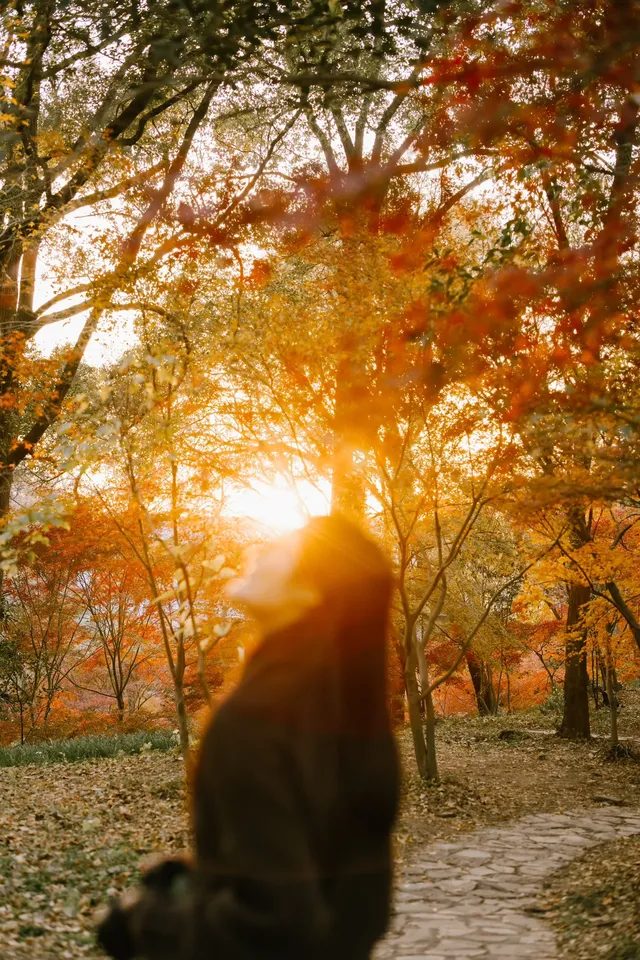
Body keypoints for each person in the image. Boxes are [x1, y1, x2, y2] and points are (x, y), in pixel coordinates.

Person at [97, 514, 399, 960]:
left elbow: (277, 922)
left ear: (309, 593)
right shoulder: (354, 715)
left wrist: (145, 922)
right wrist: (206, 878)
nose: (259, 549)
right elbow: (352, 899)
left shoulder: (253, 719)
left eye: (283, 547)